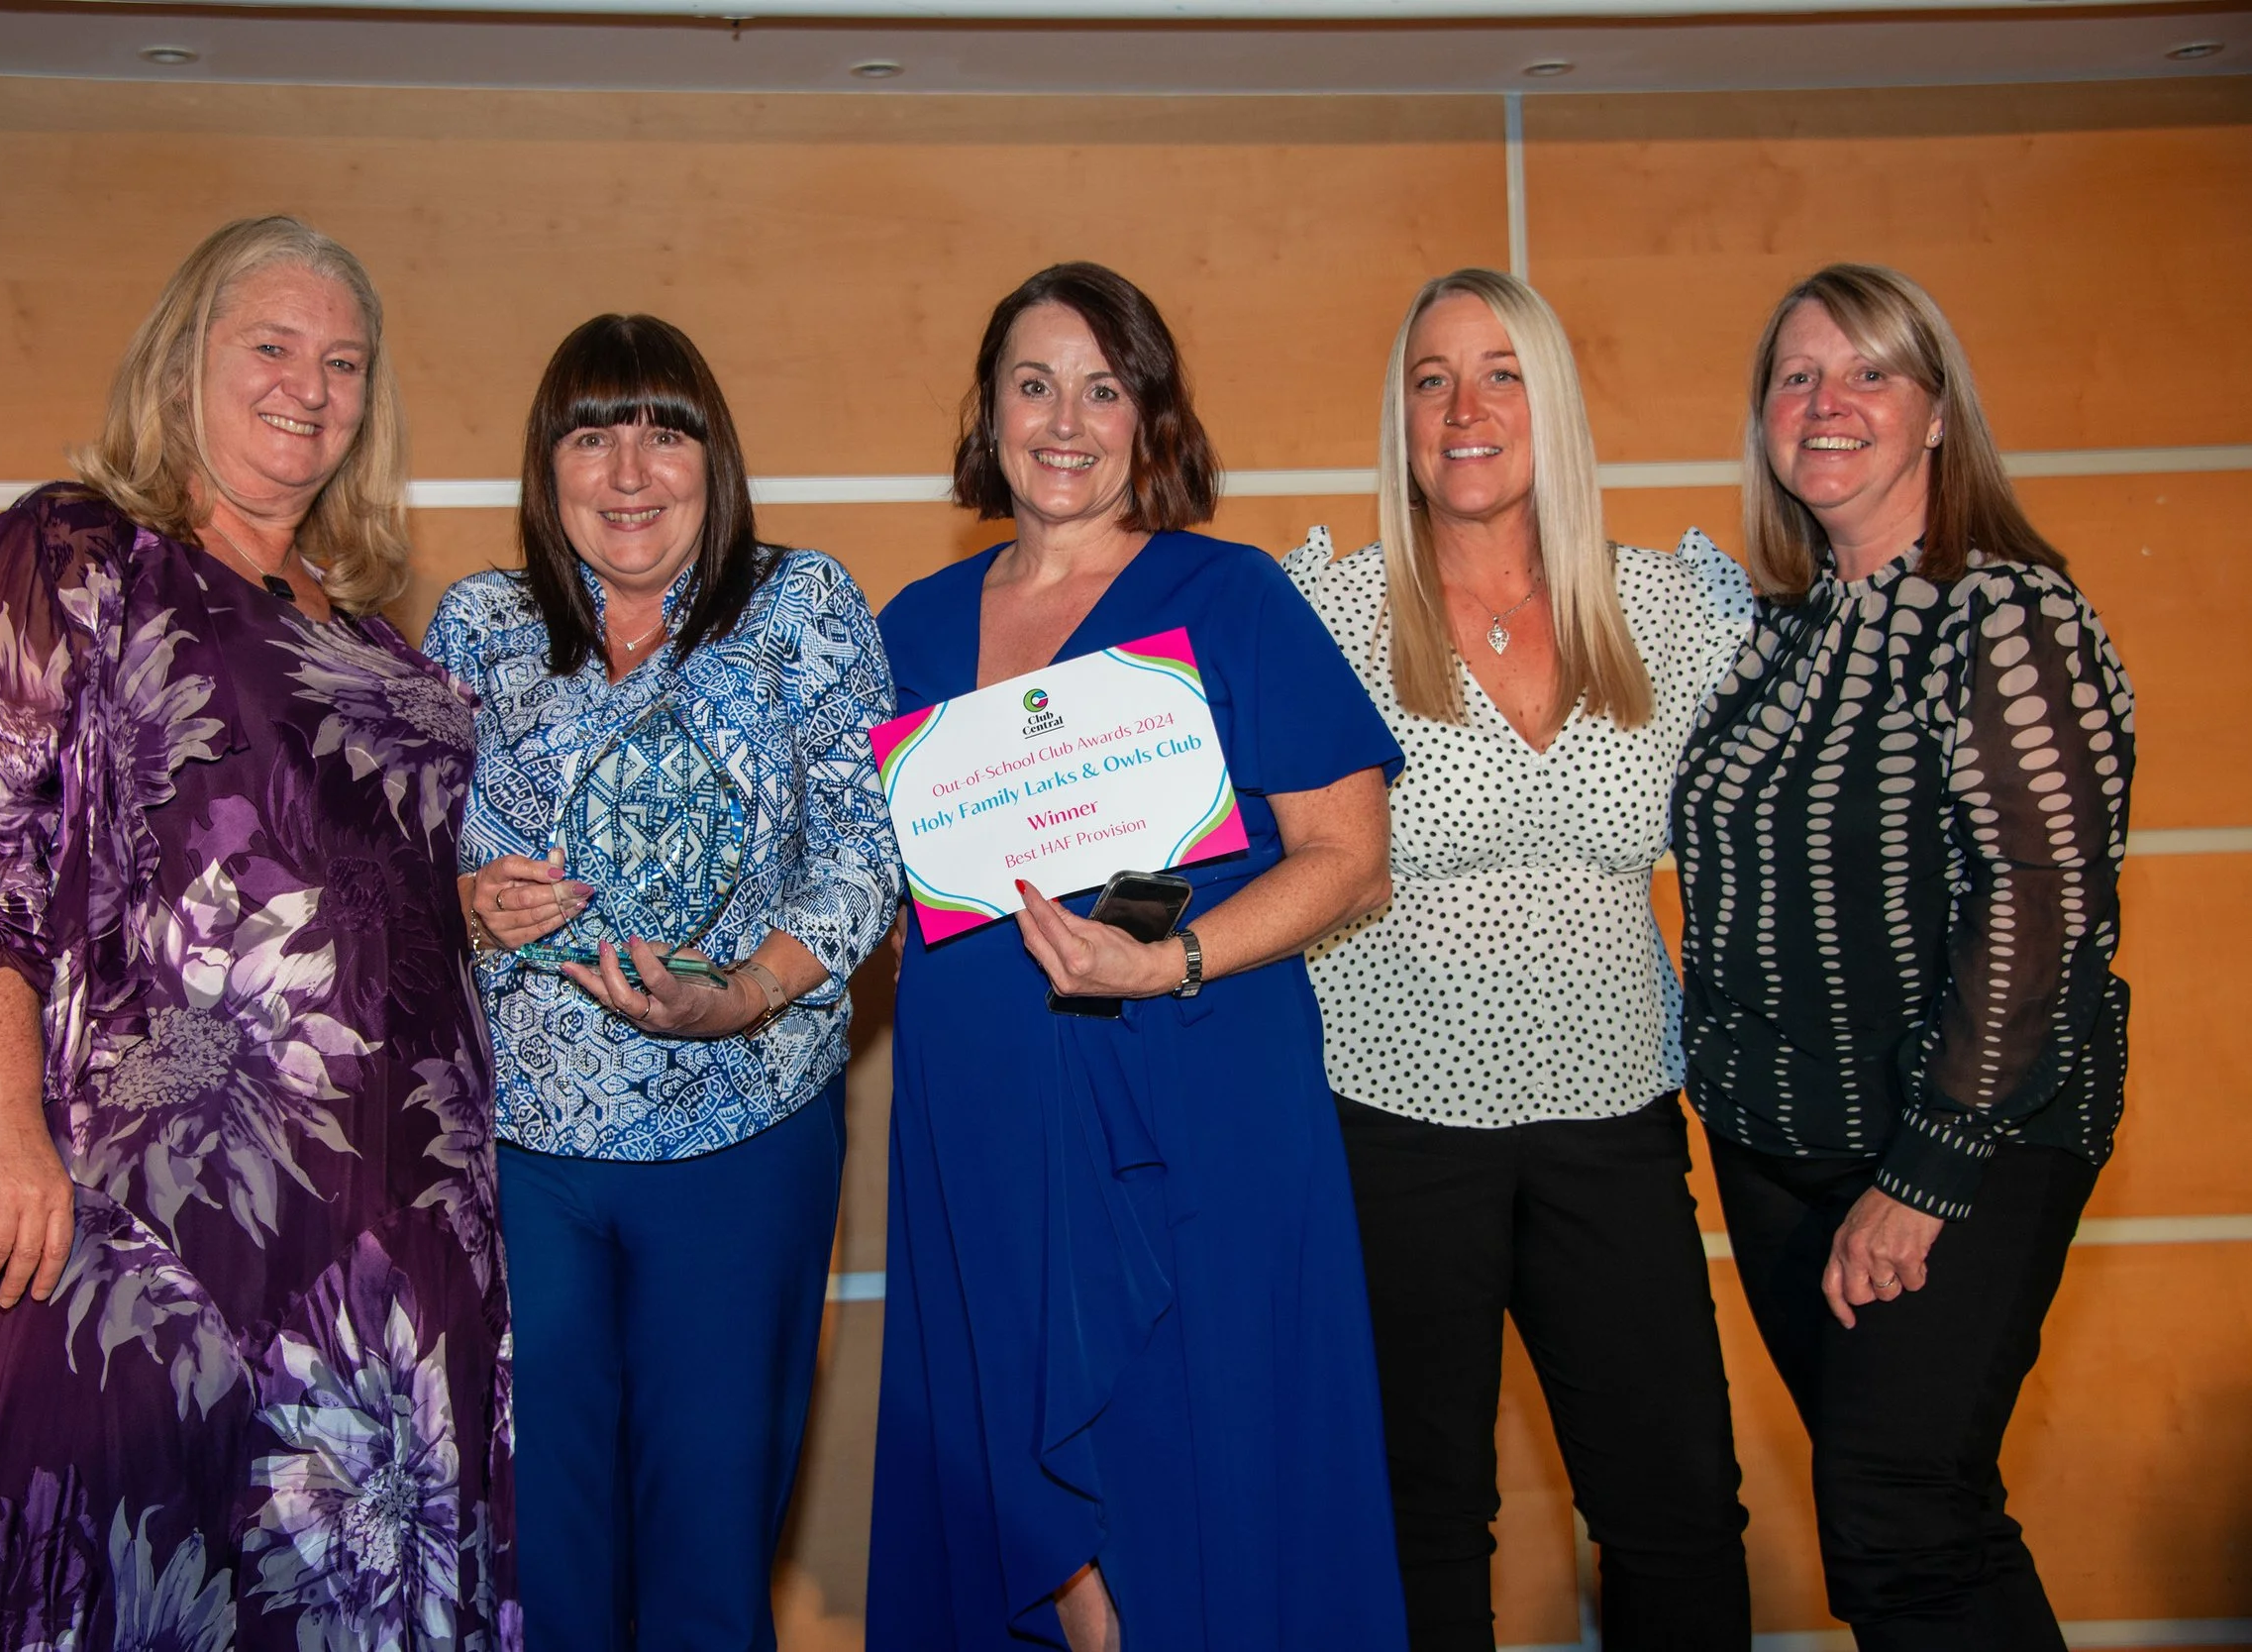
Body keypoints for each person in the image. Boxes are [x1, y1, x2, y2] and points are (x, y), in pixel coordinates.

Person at [0, 216, 514, 1649]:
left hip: (407, 1221)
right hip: (155, 1205)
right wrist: (1, 1113)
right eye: (272, 345)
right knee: (140, 1570)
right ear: (185, 360)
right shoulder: (81, 551)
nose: (310, 386)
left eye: (345, 362)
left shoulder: (375, 634)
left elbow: (386, 889)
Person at [868, 260, 1409, 1652]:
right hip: (979, 1119)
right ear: (986, 414)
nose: (1065, 419)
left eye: (1103, 388)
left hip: (1195, 1103)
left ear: (1150, 417)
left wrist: (1166, 966)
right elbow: (860, 877)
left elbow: (1351, 857)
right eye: (1033, 384)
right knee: (1008, 1476)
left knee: (1205, 1468)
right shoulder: (909, 628)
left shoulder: (1231, 600)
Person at [1285, 267, 1754, 1651]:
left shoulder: (1672, 612)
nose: (1465, 407)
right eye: (1431, 379)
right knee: (1418, 1517)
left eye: (1500, 373)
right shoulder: (1326, 614)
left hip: (1616, 1125)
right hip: (1390, 1126)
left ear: (1552, 403)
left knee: (1675, 1512)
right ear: (1401, 421)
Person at [1675, 262, 2134, 1650]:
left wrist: (1925, 1174)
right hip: (1780, 1151)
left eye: (1870, 372)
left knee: (1901, 1528)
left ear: (1937, 414)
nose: (1829, 403)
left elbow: (2041, 892)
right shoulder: (1777, 633)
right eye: (1798, 376)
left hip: (1958, 1148)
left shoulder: (2001, 612)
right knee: (1915, 1513)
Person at [422, 313, 898, 1652]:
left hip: (745, 1137)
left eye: (664, 430)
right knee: (545, 1545)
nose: (630, 471)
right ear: (547, 460)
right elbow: (395, 862)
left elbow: (871, 853)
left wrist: (745, 992)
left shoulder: (803, 606)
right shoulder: (479, 625)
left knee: (707, 1540)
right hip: (526, 1157)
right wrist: (464, 902)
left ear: (713, 454)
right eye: (594, 432)